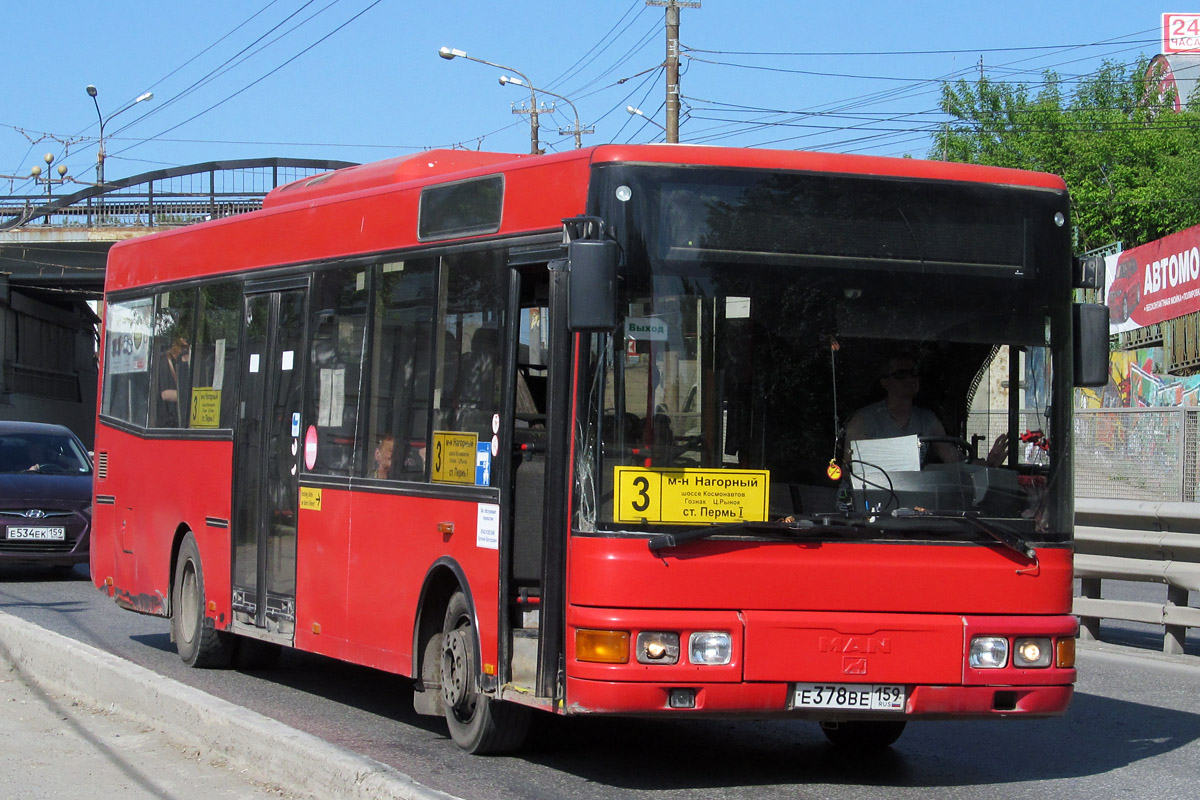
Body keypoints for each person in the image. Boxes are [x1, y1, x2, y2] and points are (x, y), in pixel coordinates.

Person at [845, 353, 1007, 468]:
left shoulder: (927, 419)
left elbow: (954, 459)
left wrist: (989, 463)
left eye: (914, 373)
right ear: (884, 382)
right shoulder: (863, 420)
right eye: (902, 374)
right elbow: (849, 469)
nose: (911, 379)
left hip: (910, 502)